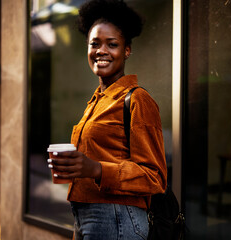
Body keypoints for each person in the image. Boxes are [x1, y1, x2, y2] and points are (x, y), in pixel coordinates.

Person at [47, 0, 167, 239]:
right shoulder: (97, 101)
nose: (101, 51)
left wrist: (96, 169)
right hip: (85, 214)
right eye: (94, 44)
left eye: (112, 44)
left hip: (117, 217)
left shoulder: (137, 100)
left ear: (127, 50)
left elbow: (155, 177)